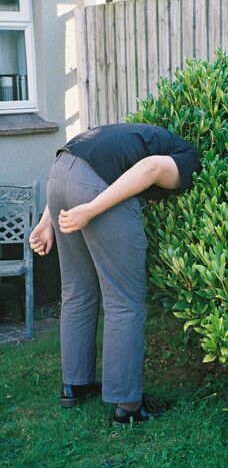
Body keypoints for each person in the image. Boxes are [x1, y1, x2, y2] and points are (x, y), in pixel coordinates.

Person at [29, 123, 202, 425]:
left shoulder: (136, 136)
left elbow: (82, 163)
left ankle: (75, 385)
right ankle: (128, 405)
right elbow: (150, 169)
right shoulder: (188, 158)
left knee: (77, 290)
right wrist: (90, 209)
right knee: (125, 302)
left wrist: (47, 221)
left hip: (59, 175)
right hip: (93, 188)